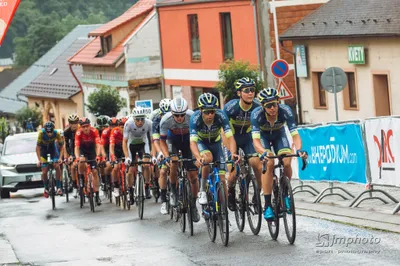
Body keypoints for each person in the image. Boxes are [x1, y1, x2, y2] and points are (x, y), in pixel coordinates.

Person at [251, 87, 307, 220]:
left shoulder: (285, 111)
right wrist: (263, 152)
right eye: (269, 106)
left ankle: (285, 193)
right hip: (263, 138)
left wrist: (299, 150)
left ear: (278, 102)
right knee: (269, 162)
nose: (272, 108)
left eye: (274, 104)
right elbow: (255, 140)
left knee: (287, 160)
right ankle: (268, 205)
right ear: (263, 106)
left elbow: (295, 135)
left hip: (279, 136)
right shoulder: (256, 114)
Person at [189, 93, 239, 205]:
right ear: (201, 110)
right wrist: (198, 157)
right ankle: (202, 190)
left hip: (216, 143)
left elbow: (230, 137)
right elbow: (192, 142)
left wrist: (233, 153)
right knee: (207, 159)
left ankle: (224, 212)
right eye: (207, 112)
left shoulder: (221, 116)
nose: (210, 114)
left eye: (212, 111)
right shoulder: (195, 118)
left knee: (222, 180)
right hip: (202, 143)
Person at [223, 77, 262, 211]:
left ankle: (257, 195)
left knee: (257, 164)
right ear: (239, 93)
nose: (251, 93)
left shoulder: (258, 107)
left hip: (248, 138)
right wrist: (232, 152)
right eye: (247, 90)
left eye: (252, 90)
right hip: (231, 138)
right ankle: (231, 190)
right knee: (233, 172)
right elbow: (223, 131)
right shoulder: (230, 107)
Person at [159, 97, 200, 221]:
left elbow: (198, 137)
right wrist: (167, 156)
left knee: (193, 176)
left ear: (186, 111)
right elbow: (162, 141)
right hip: (173, 142)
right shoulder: (165, 120)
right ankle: (173, 191)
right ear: (172, 113)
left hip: (189, 142)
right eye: (177, 115)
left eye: (182, 114)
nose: (180, 118)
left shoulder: (192, 116)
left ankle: (193, 205)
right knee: (174, 162)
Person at [123, 107, 153, 204]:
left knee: (147, 164)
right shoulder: (128, 124)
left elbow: (152, 140)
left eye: (142, 119)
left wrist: (153, 154)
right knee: (131, 169)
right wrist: (127, 157)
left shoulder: (149, 123)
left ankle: (147, 186)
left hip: (143, 145)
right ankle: (130, 191)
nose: (140, 122)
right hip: (131, 145)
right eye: (138, 119)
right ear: (134, 118)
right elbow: (124, 142)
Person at [74, 117, 103, 206]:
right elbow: (77, 147)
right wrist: (77, 157)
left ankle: (97, 195)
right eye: (83, 127)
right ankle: (81, 181)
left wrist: (98, 156)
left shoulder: (94, 131)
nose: (85, 128)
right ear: (81, 127)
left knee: (94, 171)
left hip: (91, 151)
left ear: (90, 126)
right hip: (83, 151)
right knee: (81, 163)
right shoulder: (78, 133)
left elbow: (98, 144)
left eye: (87, 126)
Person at [36, 121, 63, 198]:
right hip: (43, 151)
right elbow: (37, 148)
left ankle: (58, 187)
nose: (50, 134)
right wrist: (39, 160)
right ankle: (46, 188)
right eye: (48, 132)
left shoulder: (56, 133)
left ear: (53, 130)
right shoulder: (41, 133)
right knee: (44, 171)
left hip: (53, 150)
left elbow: (61, 147)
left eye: (51, 131)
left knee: (57, 166)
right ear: (45, 130)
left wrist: (60, 158)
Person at [110, 117, 127, 196]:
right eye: (121, 127)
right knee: (116, 167)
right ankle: (116, 186)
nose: (123, 128)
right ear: (118, 126)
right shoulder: (115, 131)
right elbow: (112, 146)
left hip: (125, 149)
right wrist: (113, 155)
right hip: (117, 149)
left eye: (124, 126)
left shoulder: (130, 131)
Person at [63, 114, 80, 191]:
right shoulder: (66, 132)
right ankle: (73, 181)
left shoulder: (80, 129)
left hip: (80, 147)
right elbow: (66, 145)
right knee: (71, 165)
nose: (74, 125)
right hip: (71, 148)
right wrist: (68, 156)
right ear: (69, 123)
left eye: (75, 123)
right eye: (72, 123)